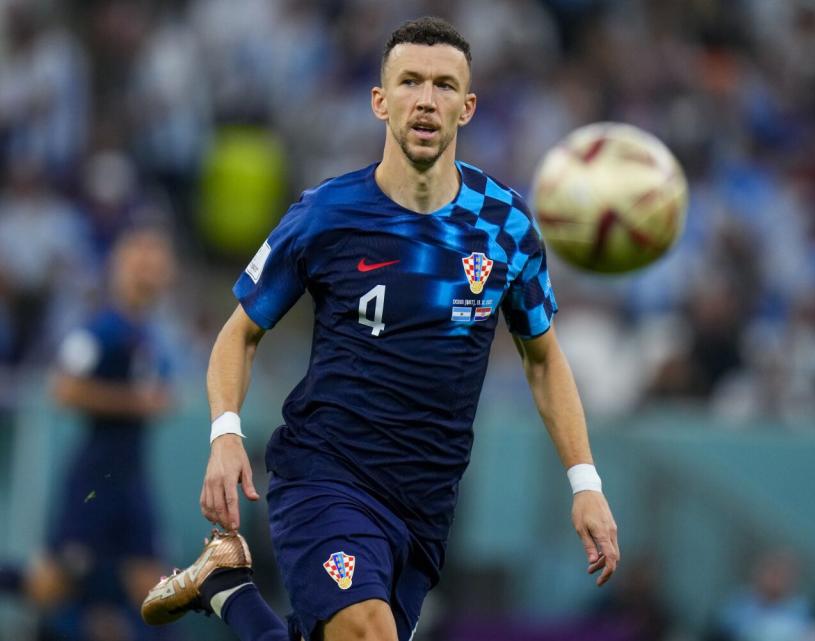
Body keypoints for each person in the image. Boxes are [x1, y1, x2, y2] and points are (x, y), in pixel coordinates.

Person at [140, 16, 619, 641]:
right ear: (379, 100)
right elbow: (240, 332)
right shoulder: (327, 215)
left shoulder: (504, 225)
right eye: (410, 82)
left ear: (468, 107)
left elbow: (542, 359)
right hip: (326, 476)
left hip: (425, 504)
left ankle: (222, 587)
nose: (426, 99)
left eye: (445, 86)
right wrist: (225, 434)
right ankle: (225, 587)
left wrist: (585, 483)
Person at [0, 225, 176, 641]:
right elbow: (62, 387)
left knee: (157, 592)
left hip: (130, 479)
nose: (150, 268)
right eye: (140, 258)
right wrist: (138, 402)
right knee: (50, 587)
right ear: (120, 267)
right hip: (95, 478)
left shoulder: (147, 332)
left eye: (157, 259)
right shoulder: (102, 329)